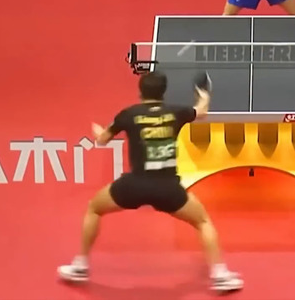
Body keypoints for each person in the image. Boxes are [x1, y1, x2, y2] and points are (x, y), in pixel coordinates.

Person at [56, 71, 244, 293]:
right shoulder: (176, 112)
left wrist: (98, 131)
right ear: (163, 93)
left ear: (140, 92)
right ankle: (220, 275)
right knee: (202, 222)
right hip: (168, 188)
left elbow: (102, 140)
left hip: (135, 185)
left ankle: (80, 265)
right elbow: (202, 111)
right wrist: (203, 95)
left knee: (94, 208)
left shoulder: (128, 114)